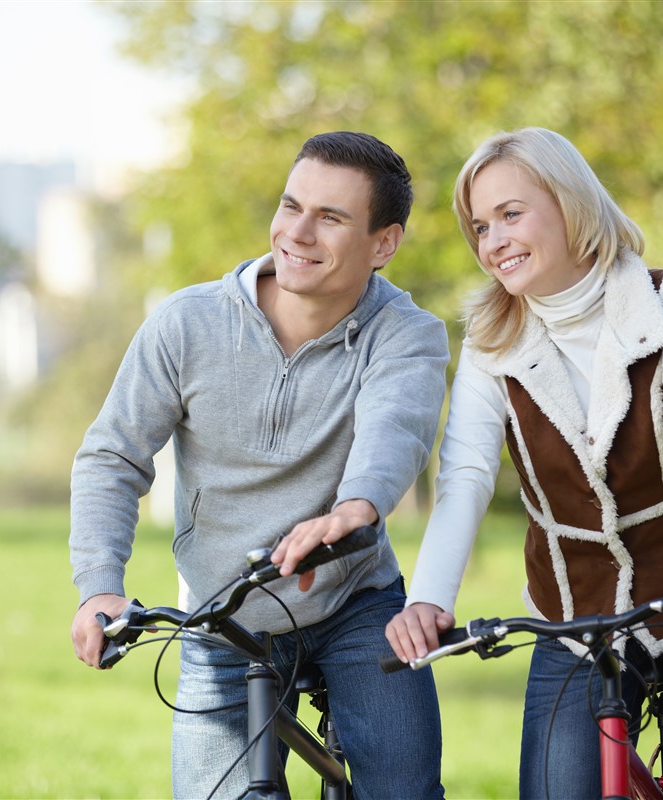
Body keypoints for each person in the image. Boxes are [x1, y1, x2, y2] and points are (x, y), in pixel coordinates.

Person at [385, 127, 663, 799]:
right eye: (480, 226)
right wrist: (428, 600)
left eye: (512, 214)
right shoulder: (489, 341)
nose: (494, 240)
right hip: (575, 623)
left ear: (572, 204)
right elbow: (467, 475)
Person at [71, 131, 449, 799]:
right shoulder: (187, 324)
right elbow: (113, 456)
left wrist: (354, 508)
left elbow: (396, 427)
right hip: (225, 613)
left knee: (406, 791)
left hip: (353, 603)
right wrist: (101, 584)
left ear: (383, 244)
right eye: (291, 205)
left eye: (331, 218)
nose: (298, 232)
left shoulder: (406, 333)